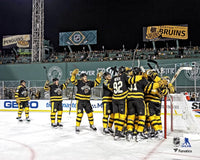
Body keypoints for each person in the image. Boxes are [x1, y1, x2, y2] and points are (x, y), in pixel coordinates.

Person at [109, 66, 143, 140]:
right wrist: (141, 76)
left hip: (114, 99)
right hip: (122, 99)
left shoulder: (114, 78)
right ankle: (119, 132)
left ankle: (116, 131)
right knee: (122, 116)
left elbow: (110, 86)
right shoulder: (124, 76)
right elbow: (131, 81)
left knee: (116, 116)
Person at [70, 69, 102, 133]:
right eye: (84, 77)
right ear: (81, 78)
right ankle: (77, 126)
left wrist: (99, 77)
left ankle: (91, 124)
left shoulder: (89, 83)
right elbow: (73, 80)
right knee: (80, 114)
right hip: (80, 101)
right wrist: (73, 75)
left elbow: (96, 83)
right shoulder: (79, 82)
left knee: (90, 113)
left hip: (87, 101)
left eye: (86, 77)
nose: (86, 78)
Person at [126, 67, 148, 141]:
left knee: (130, 117)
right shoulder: (142, 78)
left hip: (130, 100)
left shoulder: (129, 79)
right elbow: (147, 89)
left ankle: (129, 132)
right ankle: (139, 133)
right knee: (142, 117)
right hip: (138, 99)